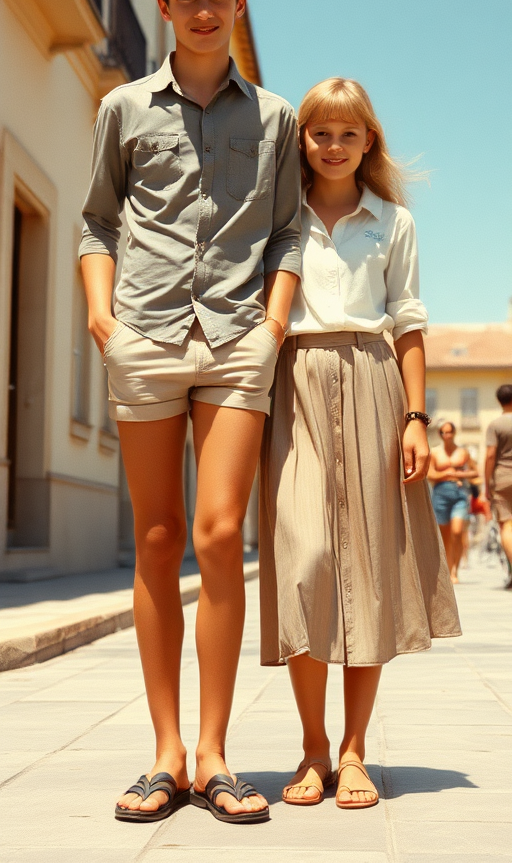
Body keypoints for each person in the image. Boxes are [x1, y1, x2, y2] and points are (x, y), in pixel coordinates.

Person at [79, 0, 301, 824]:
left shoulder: (276, 117)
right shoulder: (124, 110)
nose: (205, 11)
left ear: (238, 4)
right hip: (147, 334)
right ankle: (164, 751)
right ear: (165, 6)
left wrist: (274, 323)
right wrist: (103, 317)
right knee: (159, 537)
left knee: (219, 537)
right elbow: (96, 222)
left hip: (240, 339)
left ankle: (215, 753)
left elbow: (287, 231)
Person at [259, 77, 461, 811]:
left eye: (348, 133)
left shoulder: (393, 222)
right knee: (306, 558)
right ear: (301, 140)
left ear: (368, 140)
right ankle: (310, 744)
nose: (334, 145)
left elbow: (408, 322)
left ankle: (351, 752)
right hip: (296, 386)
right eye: (320, 133)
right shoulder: (279, 213)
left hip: (375, 383)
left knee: (369, 575)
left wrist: (415, 416)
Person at [428, 423, 479, 583]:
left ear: (454, 433)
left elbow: (475, 472)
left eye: (449, 432)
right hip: (441, 493)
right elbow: (430, 475)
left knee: (457, 532)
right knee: (445, 535)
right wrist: (446, 473)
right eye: (443, 432)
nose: (446, 435)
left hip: (459, 494)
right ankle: (448, 569)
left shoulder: (462, 452)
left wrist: (459, 475)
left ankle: (455, 570)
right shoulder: (435, 452)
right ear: (440, 434)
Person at [485, 384, 512, 588]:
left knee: (507, 526)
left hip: (502, 479)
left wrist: (487, 483)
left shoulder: (495, 425)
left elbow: (490, 455)